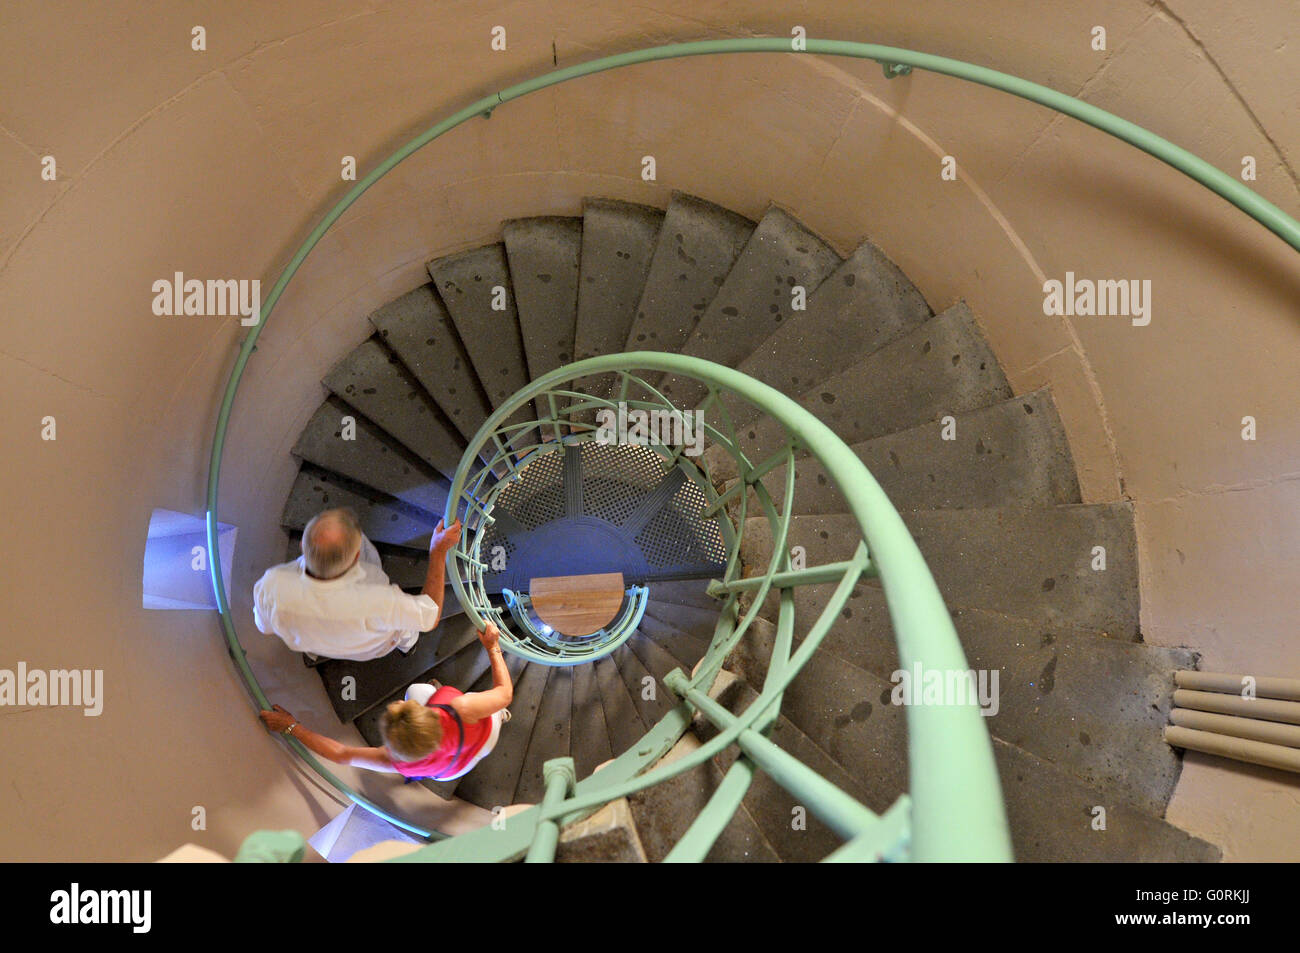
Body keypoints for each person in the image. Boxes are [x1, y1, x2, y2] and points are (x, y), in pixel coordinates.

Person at [259, 622, 513, 781]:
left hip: (452, 770)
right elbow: (505, 692)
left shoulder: (396, 759)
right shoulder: (462, 709)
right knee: (458, 698)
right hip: (482, 736)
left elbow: (341, 754)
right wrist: (493, 647)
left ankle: (491, 713)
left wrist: (290, 726)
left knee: (416, 690)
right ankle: (499, 716)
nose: (400, 703)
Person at [252, 508, 461, 662]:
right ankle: (408, 647)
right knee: (406, 633)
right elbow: (430, 615)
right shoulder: (379, 602)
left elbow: (264, 626)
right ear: (356, 557)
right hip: (377, 645)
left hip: (322, 646)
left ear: (302, 547)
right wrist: (438, 550)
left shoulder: (272, 585)